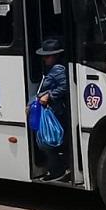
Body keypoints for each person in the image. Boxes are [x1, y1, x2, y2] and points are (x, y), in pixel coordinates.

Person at [35, 38, 69, 181]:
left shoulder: (58, 70)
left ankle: (57, 170)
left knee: (49, 139)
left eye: (47, 56)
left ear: (55, 56)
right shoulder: (53, 69)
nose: (44, 59)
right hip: (53, 109)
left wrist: (49, 95)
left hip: (55, 110)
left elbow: (64, 86)